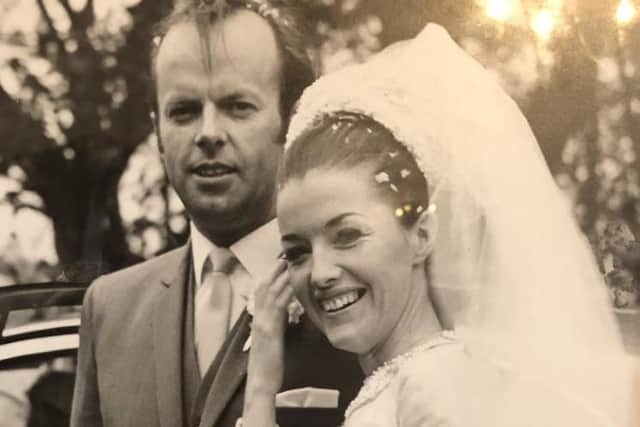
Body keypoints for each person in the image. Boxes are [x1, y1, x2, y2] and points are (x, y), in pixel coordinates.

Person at [241, 24, 633, 427]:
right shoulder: (411, 381)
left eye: (347, 236)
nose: (320, 273)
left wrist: (258, 391)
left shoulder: (433, 390)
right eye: (296, 252)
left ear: (422, 235)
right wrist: (262, 379)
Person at [70, 1, 363, 427]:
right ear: (158, 134)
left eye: (237, 106)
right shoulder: (110, 308)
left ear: (290, 120)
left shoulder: (357, 293)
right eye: (184, 111)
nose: (208, 133)